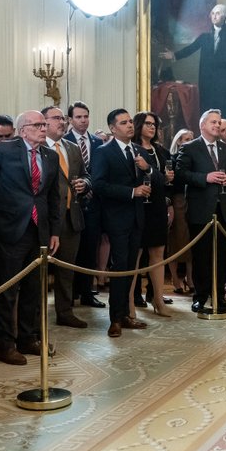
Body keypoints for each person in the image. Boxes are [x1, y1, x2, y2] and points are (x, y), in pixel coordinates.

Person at [0, 110, 62, 364]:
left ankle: (28, 338)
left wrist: (55, 231)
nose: (44, 128)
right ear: (23, 130)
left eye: (45, 124)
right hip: (10, 229)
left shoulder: (50, 156)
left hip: (39, 230)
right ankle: (5, 344)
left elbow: (54, 197)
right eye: (38, 125)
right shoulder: (5, 150)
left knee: (34, 289)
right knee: (8, 290)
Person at [91, 108, 151, 337]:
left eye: (130, 122)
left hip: (137, 217)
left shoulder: (137, 150)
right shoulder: (103, 152)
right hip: (116, 218)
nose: (130, 125)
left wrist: (148, 171)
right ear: (113, 128)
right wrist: (131, 192)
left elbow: (149, 176)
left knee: (130, 270)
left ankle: (125, 314)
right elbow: (98, 185)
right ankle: (115, 319)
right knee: (119, 269)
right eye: (124, 122)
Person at [177, 109, 226, 314]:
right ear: (202, 125)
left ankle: (219, 297)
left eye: (218, 122)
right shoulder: (189, 148)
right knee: (202, 256)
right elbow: (181, 174)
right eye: (212, 122)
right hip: (200, 209)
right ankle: (200, 296)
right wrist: (205, 178)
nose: (216, 125)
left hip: (224, 209)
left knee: (222, 256)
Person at [42, 106, 89, 329]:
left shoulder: (72, 148)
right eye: (56, 118)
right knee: (39, 271)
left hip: (72, 216)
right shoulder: (38, 148)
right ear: (44, 122)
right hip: (46, 220)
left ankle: (65, 311)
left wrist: (85, 184)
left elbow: (85, 175)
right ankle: (36, 317)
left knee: (67, 269)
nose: (62, 122)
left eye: (63, 118)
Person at [160, 3, 226, 120]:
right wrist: (174, 55)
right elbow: (190, 49)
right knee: (209, 114)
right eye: (213, 13)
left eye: (218, 13)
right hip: (208, 83)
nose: (214, 16)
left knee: (225, 114)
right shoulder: (204, 37)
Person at [131, 111, 173, 318]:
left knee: (158, 253)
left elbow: (162, 179)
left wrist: (164, 177)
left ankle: (158, 299)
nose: (152, 127)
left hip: (156, 205)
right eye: (147, 123)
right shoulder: (132, 148)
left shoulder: (160, 151)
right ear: (138, 125)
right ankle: (129, 303)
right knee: (135, 256)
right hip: (137, 205)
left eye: (154, 124)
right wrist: (156, 175)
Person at [66, 101, 106, 308]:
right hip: (71, 204)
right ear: (70, 120)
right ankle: (70, 294)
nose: (83, 120)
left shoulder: (98, 142)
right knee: (72, 251)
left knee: (91, 249)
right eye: (79, 117)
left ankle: (87, 292)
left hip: (93, 204)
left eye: (86, 116)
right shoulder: (64, 141)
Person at [166, 128, 195, 293]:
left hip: (193, 202)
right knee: (176, 241)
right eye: (186, 139)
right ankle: (176, 280)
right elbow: (169, 185)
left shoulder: (196, 158)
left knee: (192, 241)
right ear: (178, 141)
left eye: (192, 138)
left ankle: (190, 279)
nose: (189, 141)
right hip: (177, 201)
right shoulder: (172, 159)